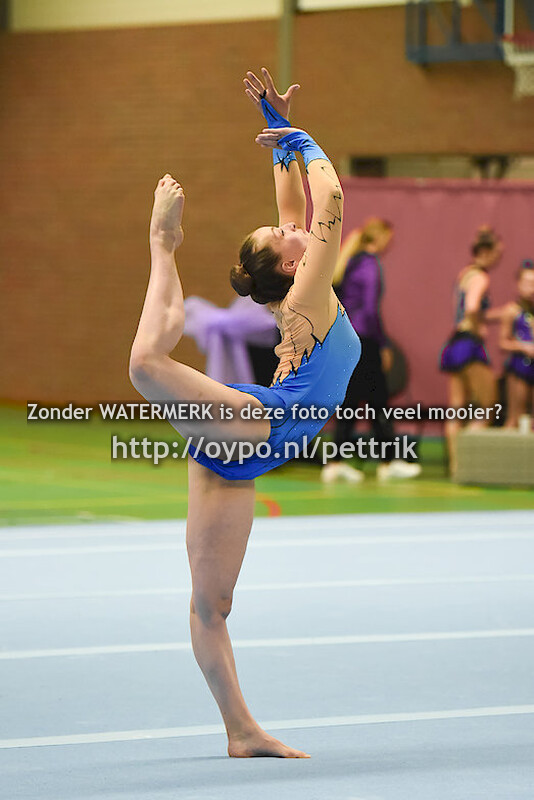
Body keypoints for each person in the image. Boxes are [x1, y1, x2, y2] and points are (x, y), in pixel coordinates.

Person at [129, 68, 360, 758]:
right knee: (145, 366)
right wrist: (305, 138)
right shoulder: (306, 296)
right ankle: (161, 248)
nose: (294, 229)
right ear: (293, 267)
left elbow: (295, 204)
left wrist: (276, 132)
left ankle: (240, 732)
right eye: (286, 236)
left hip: (243, 449)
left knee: (212, 606)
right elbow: (332, 197)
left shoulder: (291, 281)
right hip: (265, 423)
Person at [322, 219, 421, 483]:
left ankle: (336, 463)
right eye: (389, 239)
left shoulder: (348, 263)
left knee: (351, 402)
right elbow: (369, 310)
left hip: (346, 340)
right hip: (365, 341)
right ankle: (388, 462)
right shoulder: (369, 264)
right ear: (380, 238)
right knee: (378, 402)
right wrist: (384, 344)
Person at [439, 226, 502, 474]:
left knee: (458, 406)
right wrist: (479, 328)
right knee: (488, 405)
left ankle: (456, 464)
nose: (499, 259)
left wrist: (495, 317)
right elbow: (473, 308)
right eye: (497, 253)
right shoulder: (482, 277)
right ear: (486, 252)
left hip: (455, 342)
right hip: (468, 344)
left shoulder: (466, 273)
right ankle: (471, 462)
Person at [500, 261, 534, 428]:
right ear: (519, 285)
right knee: (515, 416)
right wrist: (523, 347)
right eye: (527, 283)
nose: (531, 289)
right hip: (520, 366)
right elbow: (503, 342)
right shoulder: (511, 311)